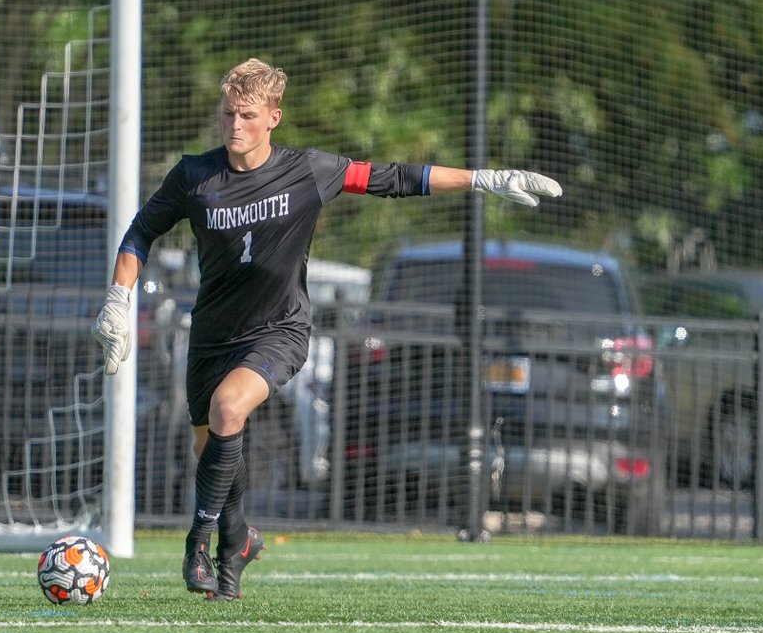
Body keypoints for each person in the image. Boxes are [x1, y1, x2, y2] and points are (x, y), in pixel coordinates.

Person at [91, 57, 561, 601]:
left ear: (274, 117)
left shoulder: (308, 170)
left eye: (246, 115)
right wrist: (118, 299)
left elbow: (394, 178)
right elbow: (139, 233)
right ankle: (237, 541)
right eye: (227, 115)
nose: (234, 125)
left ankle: (199, 540)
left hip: (279, 330)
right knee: (217, 445)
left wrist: (482, 179)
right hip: (211, 336)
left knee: (227, 409)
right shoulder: (195, 175)